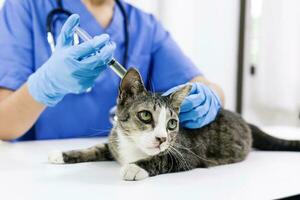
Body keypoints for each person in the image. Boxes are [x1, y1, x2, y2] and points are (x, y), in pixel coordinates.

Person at [0, 0, 224, 141]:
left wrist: (209, 97)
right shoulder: (24, 7)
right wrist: (46, 84)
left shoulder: (144, 26)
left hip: (121, 169)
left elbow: (203, 85)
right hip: (40, 171)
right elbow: (3, 124)